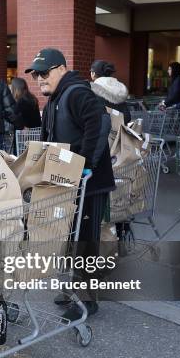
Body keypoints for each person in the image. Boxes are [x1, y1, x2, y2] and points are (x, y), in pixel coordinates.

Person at [26, 47, 115, 320]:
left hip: (89, 183)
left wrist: (87, 164)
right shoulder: (56, 97)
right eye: (36, 75)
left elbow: (100, 123)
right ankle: (71, 289)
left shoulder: (76, 92)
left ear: (61, 69)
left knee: (85, 242)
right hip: (68, 183)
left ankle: (87, 301)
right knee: (69, 238)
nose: (39, 79)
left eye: (44, 73)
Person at [89, 60, 131, 247]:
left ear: (93, 75)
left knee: (103, 196)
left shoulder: (92, 92)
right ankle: (119, 229)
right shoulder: (121, 92)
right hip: (122, 150)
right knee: (120, 191)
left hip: (104, 150)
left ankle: (105, 233)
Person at [9, 77, 41, 155]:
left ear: (15, 88)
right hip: (35, 133)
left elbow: (15, 117)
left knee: (20, 156)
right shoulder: (32, 99)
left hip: (23, 134)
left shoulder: (19, 102)